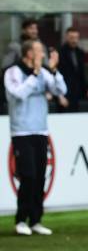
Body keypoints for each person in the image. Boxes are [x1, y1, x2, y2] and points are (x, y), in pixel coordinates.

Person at [4, 40, 67, 236]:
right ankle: (21, 219)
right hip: (21, 131)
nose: (43, 55)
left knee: (40, 177)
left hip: (41, 130)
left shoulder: (44, 71)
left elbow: (61, 91)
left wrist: (55, 71)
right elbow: (18, 94)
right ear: (29, 53)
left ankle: (36, 219)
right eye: (39, 51)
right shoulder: (13, 72)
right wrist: (35, 74)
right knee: (28, 176)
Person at [57, 27, 88, 112]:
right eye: (71, 38)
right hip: (65, 92)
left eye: (76, 38)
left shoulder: (80, 53)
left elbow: (81, 74)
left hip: (78, 92)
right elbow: (56, 75)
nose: (74, 40)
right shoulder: (60, 53)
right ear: (66, 38)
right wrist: (60, 95)